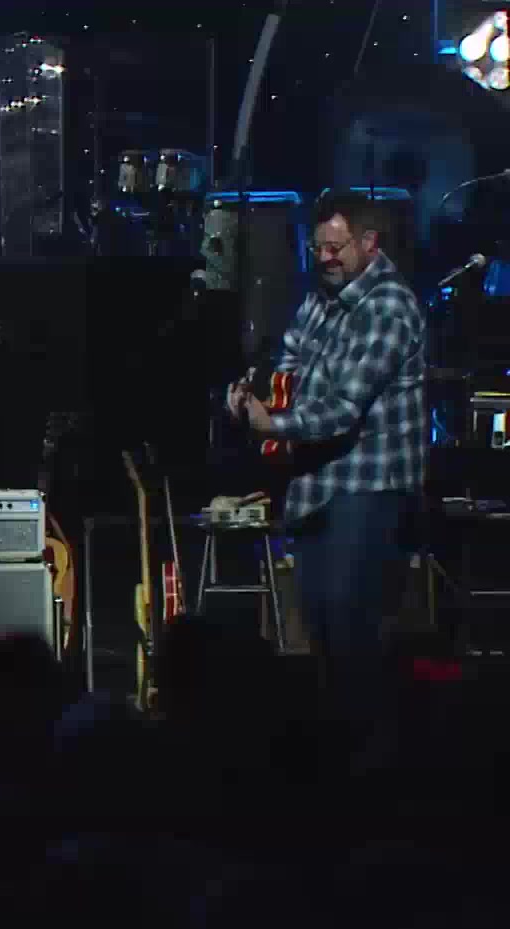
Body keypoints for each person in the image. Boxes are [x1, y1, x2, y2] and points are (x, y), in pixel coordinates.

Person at [228, 191, 424, 735]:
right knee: (318, 626)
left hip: (368, 488)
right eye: (317, 249)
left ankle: (374, 752)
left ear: (369, 242)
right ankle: (337, 749)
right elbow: (288, 360)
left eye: (335, 248)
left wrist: (274, 425)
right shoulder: (321, 298)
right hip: (317, 486)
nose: (325, 258)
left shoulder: (388, 307)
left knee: (349, 626)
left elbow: (344, 408)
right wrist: (250, 393)